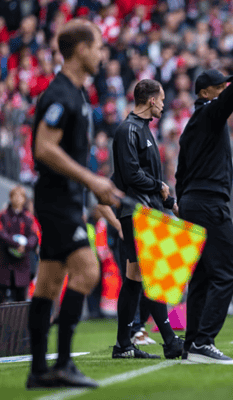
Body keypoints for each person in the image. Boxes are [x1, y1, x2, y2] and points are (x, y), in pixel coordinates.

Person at [27, 19, 123, 389]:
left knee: (48, 284)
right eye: (98, 47)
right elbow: (43, 148)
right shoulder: (60, 94)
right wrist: (91, 180)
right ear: (81, 49)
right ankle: (63, 363)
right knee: (88, 271)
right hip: (56, 201)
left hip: (66, 199)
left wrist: (97, 192)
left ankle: (39, 370)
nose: (102, 54)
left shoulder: (78, 95)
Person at [175, 50, 233, 365]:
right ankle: (203, 341)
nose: (224, 90)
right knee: (227, 273)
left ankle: (191, 343)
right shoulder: (210, 113)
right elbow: (227, 103)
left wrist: (181, 203)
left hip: (192, 203)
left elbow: (180, 172)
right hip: (209, 203)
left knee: (202, 277)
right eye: (220, 87)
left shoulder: (192, 125)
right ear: (205, 93)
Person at [108, 79, 183, 360]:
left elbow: (151, 180)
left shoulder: (143, 129)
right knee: (154, 274)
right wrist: (159, 187)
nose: (163, 104)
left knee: (135, 279)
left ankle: (123, 345)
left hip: (147, 208)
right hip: (137, 211)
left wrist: (170, 202)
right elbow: (131, 175)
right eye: (161, 99)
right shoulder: (128, 129)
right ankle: (170, 340)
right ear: (151, 100)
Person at [0, 185, 39, 303]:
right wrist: (16, 244)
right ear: (10, 197)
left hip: (22, 265)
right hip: (4, 264)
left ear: (24, 199)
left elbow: (34, 236)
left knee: (20, 300)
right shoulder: (3, 215)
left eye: (20, 196)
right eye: (15, 196)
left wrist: (25, 246)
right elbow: (2, 233)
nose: (17, 198)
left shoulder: (29, 218)